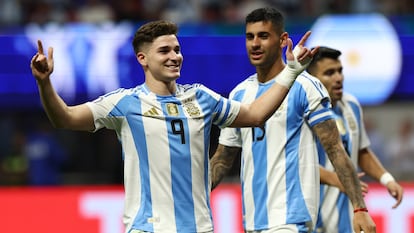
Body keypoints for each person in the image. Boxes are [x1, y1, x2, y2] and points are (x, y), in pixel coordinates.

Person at [30, 20, 315, 233]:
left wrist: (291, 71)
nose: (174, 56)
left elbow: (254, 115)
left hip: (199, 228)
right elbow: (64, 117)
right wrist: (45, 83)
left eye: (177, 50)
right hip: (148, 228)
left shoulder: (201, 97)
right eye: (164, 51)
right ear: (143, 59)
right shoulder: (125, 103)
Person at [210, 7, 376, 233]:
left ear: (282, 40)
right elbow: (222, 159)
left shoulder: (306, 86)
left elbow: (335, 149)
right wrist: (190, 200)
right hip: (253, 220)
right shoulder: (240, 94)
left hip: (292, 218)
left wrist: (360, 209)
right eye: (250, 37)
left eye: (264, 36)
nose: (255, 44)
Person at [306, 46, 404, 233]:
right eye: (329, 73)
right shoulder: (301, 112)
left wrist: (387, 179)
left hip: (348, 220)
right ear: (313, 80)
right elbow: (295, 163)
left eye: (340, 71)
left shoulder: (351, 105)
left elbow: (361, 151)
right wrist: (338, 179)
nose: (338, 78)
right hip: (311, 222)